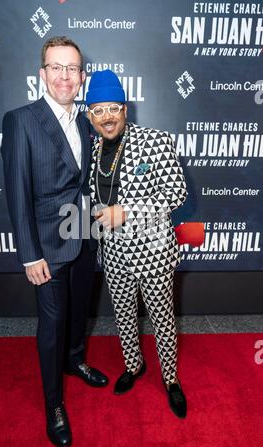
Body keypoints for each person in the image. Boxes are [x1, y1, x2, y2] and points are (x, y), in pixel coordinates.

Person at [1, 36, 108, 447]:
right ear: (42, 74)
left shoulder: (86, 121)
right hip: (45, 247)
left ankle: (75, 360)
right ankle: (53, 404)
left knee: (79, 310)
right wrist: (29, 254)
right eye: (56, 67)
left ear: (82, 77)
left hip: (83, 236)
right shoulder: (21, 120)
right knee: (52, 324)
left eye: (72, 68)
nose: (65, 76)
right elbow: (17, 193)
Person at [86, 69, 188, 418]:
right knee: (124, 316)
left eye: (112, 107)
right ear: (90, 116)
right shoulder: (90, 149)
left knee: (162, 317)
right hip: (113, 254)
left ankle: (171, 379)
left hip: (154, 253)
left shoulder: (155, 141)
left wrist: (127, 211)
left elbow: (177, 193)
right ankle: (133, 365)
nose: (106, 117)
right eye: (97, 110)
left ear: (125, 109)